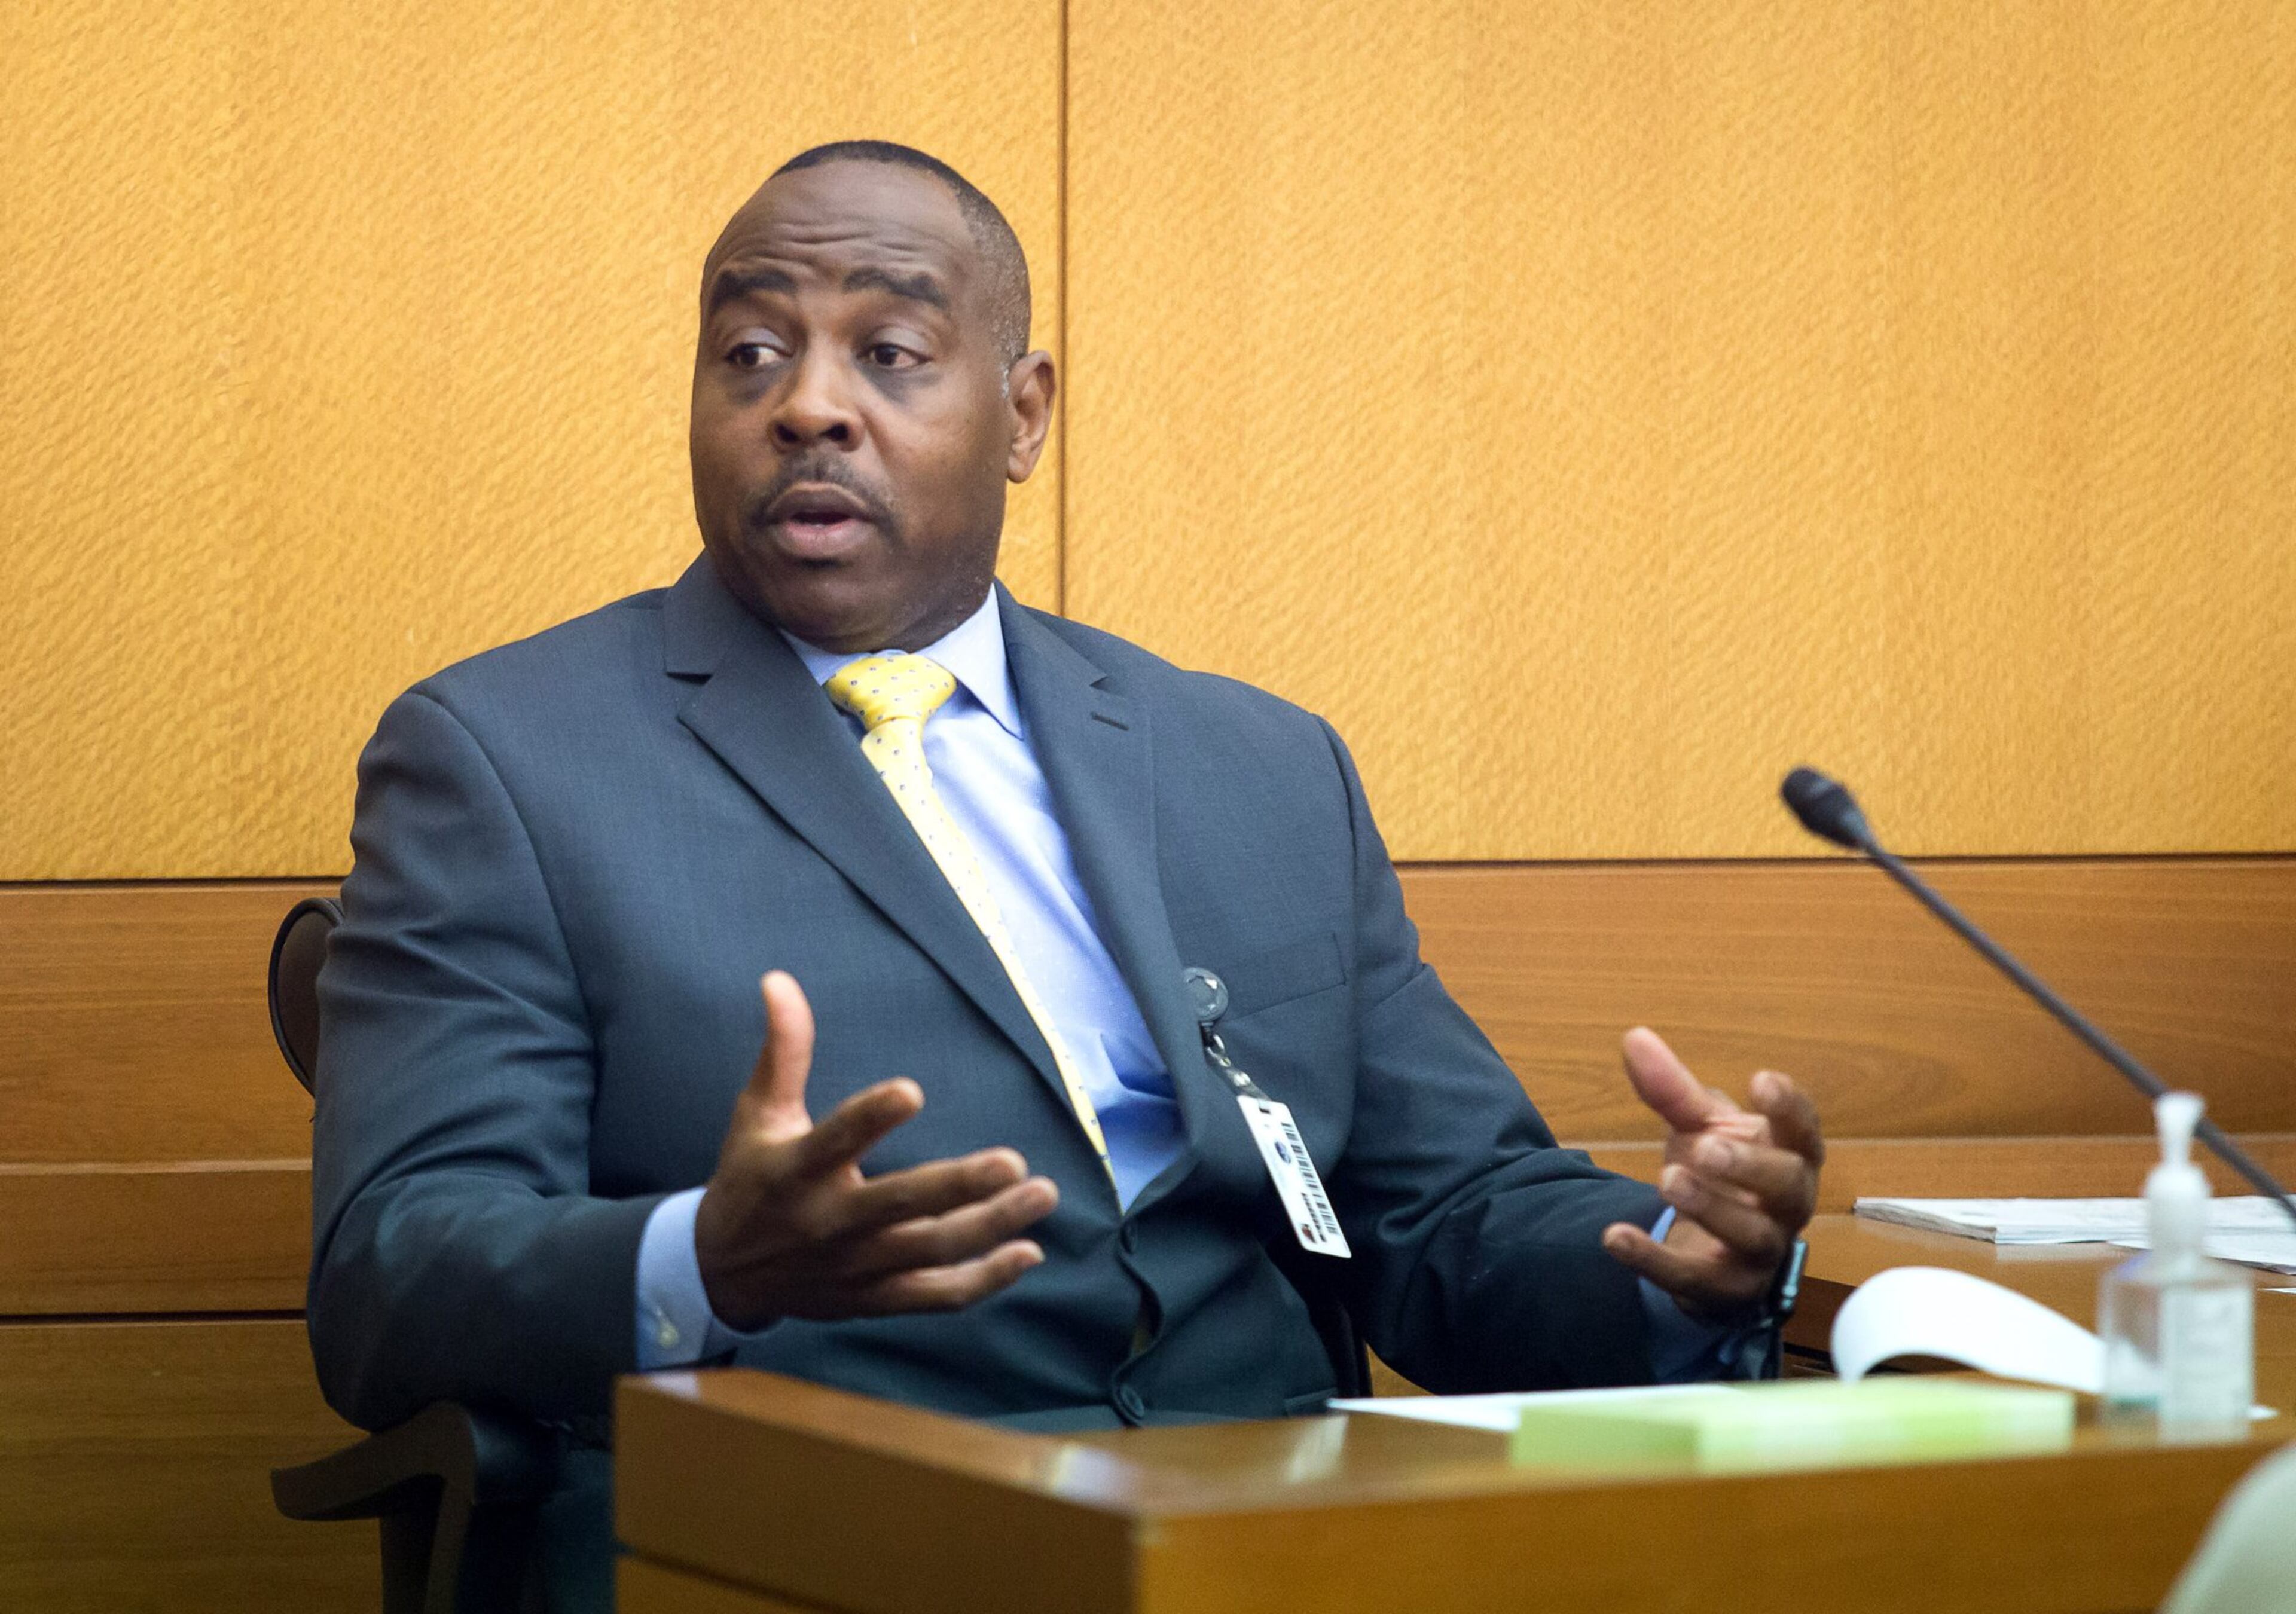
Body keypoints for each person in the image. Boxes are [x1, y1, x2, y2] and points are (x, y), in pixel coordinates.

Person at [309, 140, 1825, 1600]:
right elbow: (394, 1276)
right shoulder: (504, 757)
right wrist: (704, 1257)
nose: (808, 408)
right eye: (751, 355)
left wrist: (1672, 1263)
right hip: (823, 1539)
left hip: (1276, 1538)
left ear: (1024, 414)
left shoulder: (1259, 766)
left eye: (889, 353)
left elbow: (1447, 1216)